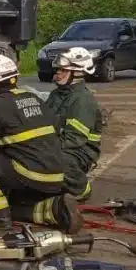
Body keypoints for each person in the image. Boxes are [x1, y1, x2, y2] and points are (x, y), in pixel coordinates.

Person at [0, 55, 82, 233]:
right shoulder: (35, 98)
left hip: (30, 174)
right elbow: (52, 128)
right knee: (16, 204)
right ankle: (57, 209)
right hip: (56, 174)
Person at [44, 47, 104, 201]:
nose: (58, 73)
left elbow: (75, 139)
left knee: (54, 159)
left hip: (81, 151)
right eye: (58, 69)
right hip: (58, 143)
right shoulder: (56, 94)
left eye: (63, 70)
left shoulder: (82, 100)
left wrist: (45, 146)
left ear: (77, 73)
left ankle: (81, 189)